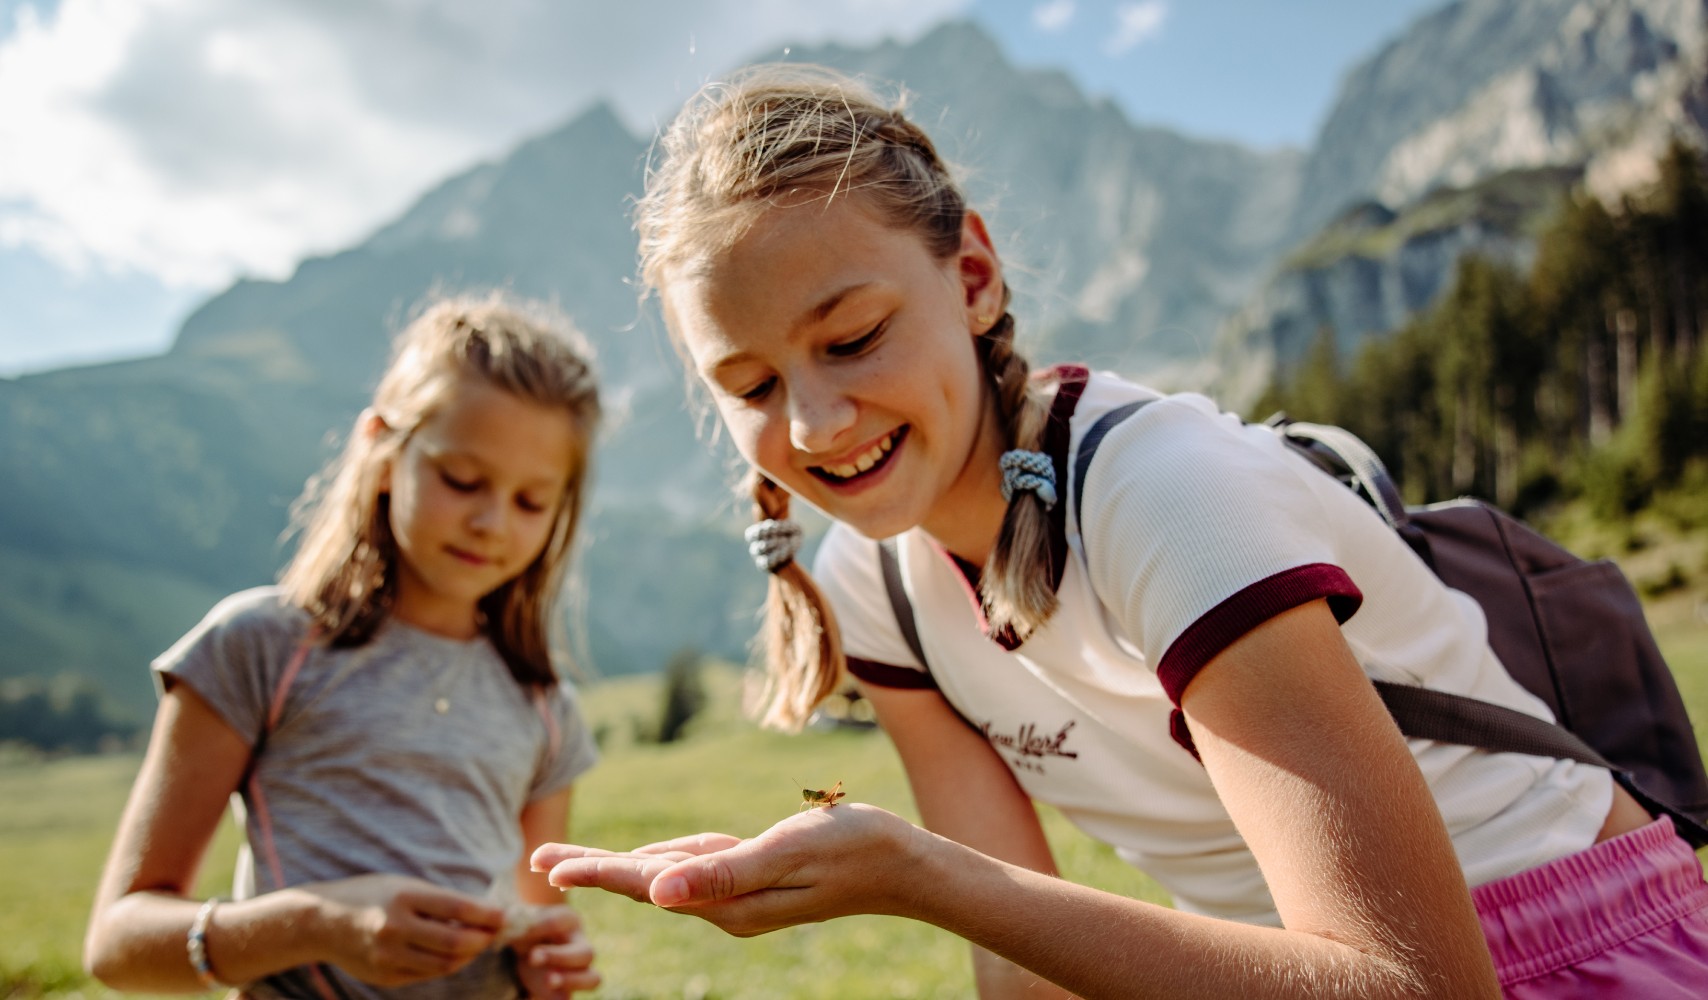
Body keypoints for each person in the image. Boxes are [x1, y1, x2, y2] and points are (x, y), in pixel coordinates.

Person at [530, 65, 1708, 999]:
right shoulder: (877, 587)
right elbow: (1025, 977)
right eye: (749, 385)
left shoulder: (1160, 493)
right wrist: (940, 881)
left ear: (973, 276)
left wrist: (921, 877)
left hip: (1566, 948)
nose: (814, 421)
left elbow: (1416, 984)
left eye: (851, 339)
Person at [86, 294, 605, 999]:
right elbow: (117, 945)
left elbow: (539, 917)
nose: (491, 522)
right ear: (383, 451)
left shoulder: (544, 706)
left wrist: (548, 963)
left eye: (531, 501)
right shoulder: (260, 649)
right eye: (462, 480)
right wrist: (318, 924)